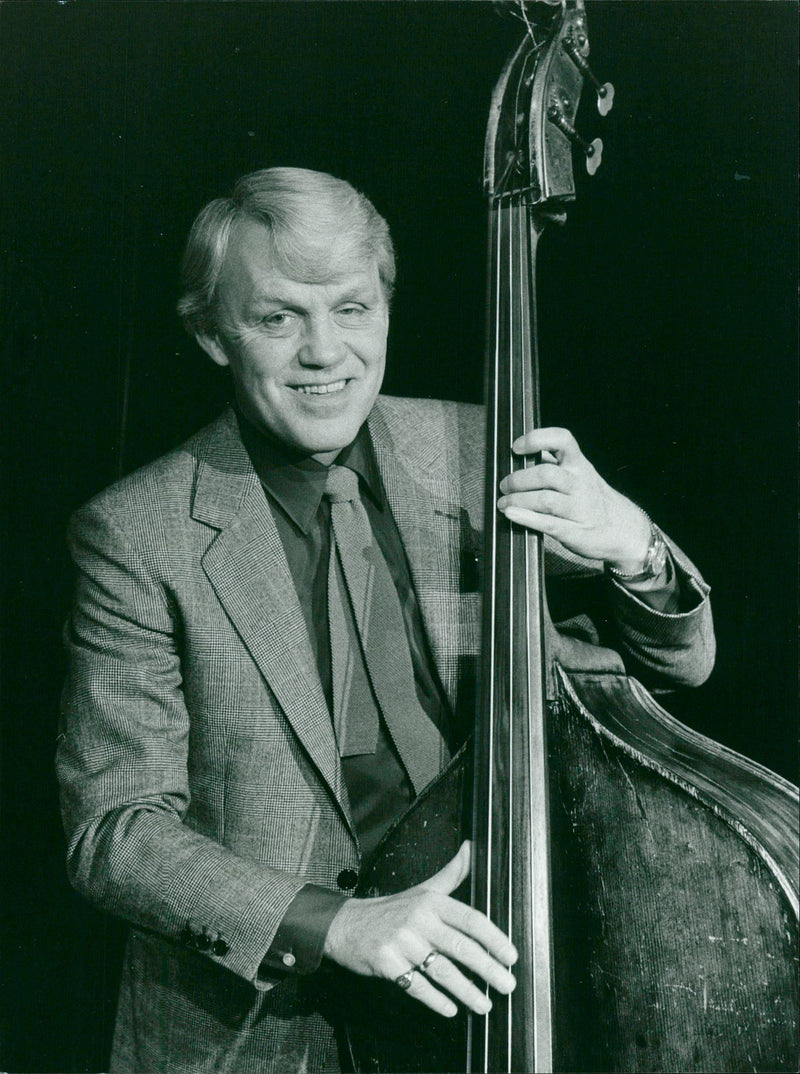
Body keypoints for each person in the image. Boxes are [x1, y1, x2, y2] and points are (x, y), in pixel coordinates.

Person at [57, 167, 715, 1074]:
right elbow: (114, 833)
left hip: (494, 982)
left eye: (353, 309)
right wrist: (341, 925)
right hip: (259, 1034)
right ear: (213, 335)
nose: (325, 353)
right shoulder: (136, 533)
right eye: (278, 317)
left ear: (386, 310)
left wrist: (634, 547)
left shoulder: (474, 450)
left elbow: (676, 673)